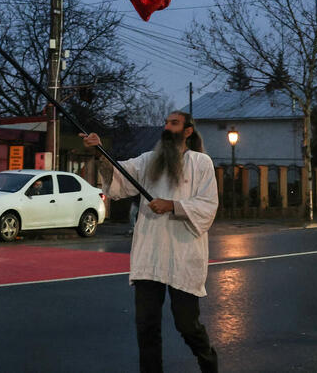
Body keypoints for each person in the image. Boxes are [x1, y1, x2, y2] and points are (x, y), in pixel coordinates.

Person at [81, 111, 218, 373]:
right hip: (150, 255)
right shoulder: (148, 161)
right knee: (146, 326)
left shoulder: (201, 163)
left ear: (187, 131)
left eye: (174, 123)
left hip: (183, 256)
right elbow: (119, 179)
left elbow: (208, 205)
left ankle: (209, 361)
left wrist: (172, 206)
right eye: (166, 123)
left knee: (187, 325)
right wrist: (100, 152)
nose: (167, 127)